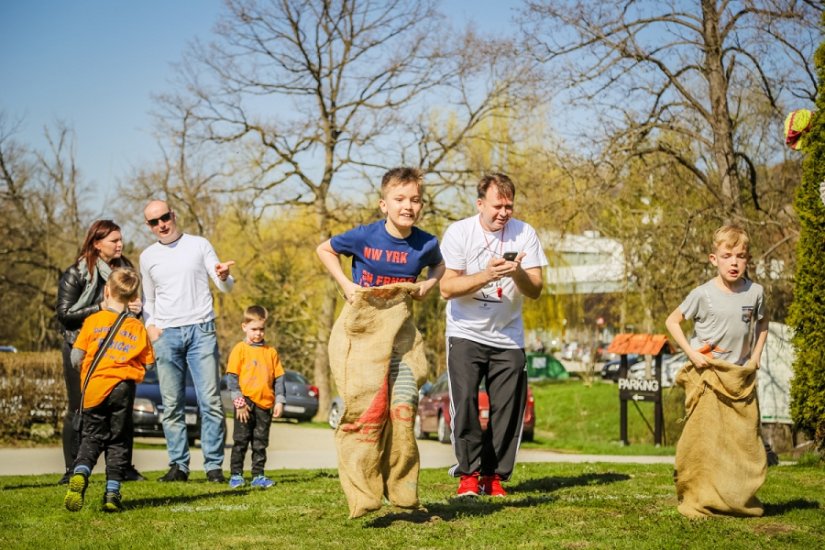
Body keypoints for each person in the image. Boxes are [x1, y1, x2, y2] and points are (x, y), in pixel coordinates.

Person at [317, 167, 444, 517]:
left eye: (415, 200)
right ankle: (364, 496)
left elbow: (439, 266)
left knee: (403, 411)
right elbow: (324, 249)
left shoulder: (426, 243)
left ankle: (403, 492)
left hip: (402, 340)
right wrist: (346, 285)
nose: (408, 206)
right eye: (399, 199)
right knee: (367, 416)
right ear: (383, 204)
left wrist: (427, 286)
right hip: (362, 339)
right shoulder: (364, 237)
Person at [439, 172, 547, 497]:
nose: (504, 212)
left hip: (508, 337)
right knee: (467, 404)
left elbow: (536, 289)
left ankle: (493, 476)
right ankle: (468, 477)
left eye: (509, 206)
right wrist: (487, 274)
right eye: (498, 205)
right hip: (465, 333)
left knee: (508, 410)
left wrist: (517, 273)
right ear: (480, 203)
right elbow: (447, 288)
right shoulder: (459, 232)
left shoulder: (525, 233)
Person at [665, 224, 770, 517]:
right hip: (707, 375)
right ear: (714, 259)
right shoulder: (703, 294)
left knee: (741, 440)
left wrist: (755, 356)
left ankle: (736, 497)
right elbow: (672, 321)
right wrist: (692, 354)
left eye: (740, 256)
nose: (734, 262)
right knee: (705, 440)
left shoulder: (756, 293)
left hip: (738, 377)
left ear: (748, 259)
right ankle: (699, 495)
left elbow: (763, 323)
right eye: (727, 256)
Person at [140, 200, 235, 483]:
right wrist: (152, 328)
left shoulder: (199, 244)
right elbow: (149, 300)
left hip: (200, 332)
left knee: (211, 402)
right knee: (172, 405)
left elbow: (223, 285)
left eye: (165, 218)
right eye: (154, 222)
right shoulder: (147, 256)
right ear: (149, 226)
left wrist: (225, 276)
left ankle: (214, 467)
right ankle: (178, 466)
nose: (161, 225)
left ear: (174, 215)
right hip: (166, 335)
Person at [55, 220, 145, 485]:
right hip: (82, 348)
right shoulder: (76, 273)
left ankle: (122, 469)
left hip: (118, 350)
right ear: (96, 243)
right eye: (113, 241)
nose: (120, 244)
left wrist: (135, 306)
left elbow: (128, 302)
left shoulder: (125, 267)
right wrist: (101, 308)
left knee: (122, 410)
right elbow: (64, 315)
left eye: (121, 239)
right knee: (78, 408)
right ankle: (72, 470)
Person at [63, 267, 155, 513]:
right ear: (133, 298)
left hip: (95, 388)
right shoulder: (136, 327)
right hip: (122, 389)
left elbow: (75, 358)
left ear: (106, 291)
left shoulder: (92, 321)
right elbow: (149, 362)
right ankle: (112, 493)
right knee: (118, 441)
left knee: (91, 436)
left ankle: (81, 472)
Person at [225, 305, 285, 489]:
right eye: (254, 329)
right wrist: (240, 404)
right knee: (241, 441)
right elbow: (232, 380)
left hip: (265, 405)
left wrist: (279, 401)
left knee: (260, 443)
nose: (258, 333)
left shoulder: (271, 352)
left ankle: (258, 475)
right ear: (244, 327)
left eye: (261, 329)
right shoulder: (240, 350)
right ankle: (236, 475)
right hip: (245, 404)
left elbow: (279, 378)